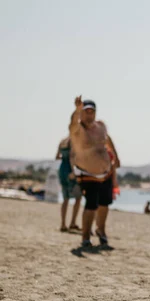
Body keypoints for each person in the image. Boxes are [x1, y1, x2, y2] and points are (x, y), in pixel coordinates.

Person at [68, 96, 120, 247]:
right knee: (91, 205)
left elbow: (108, 139)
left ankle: (101, 231)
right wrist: (76, 111)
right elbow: (72, 123)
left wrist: (115, 156)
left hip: (106, 172)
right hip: (87, 173)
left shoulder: (101, 126)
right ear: (81, 113)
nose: (89, 115)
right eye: (86, 112)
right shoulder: (78, 130)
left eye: (92, 112)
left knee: (104, 204)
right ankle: (85, 237)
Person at [55, 136, 82, 232]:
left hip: (62, 169)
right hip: (70, 170)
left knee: (65, 198)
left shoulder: (62, 141)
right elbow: (72, 157)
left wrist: (64, 156)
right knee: (78, 197)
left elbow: (57, 157)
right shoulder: (73, 141)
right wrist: (73, 171)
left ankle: (63, 224)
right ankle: (72, 222)